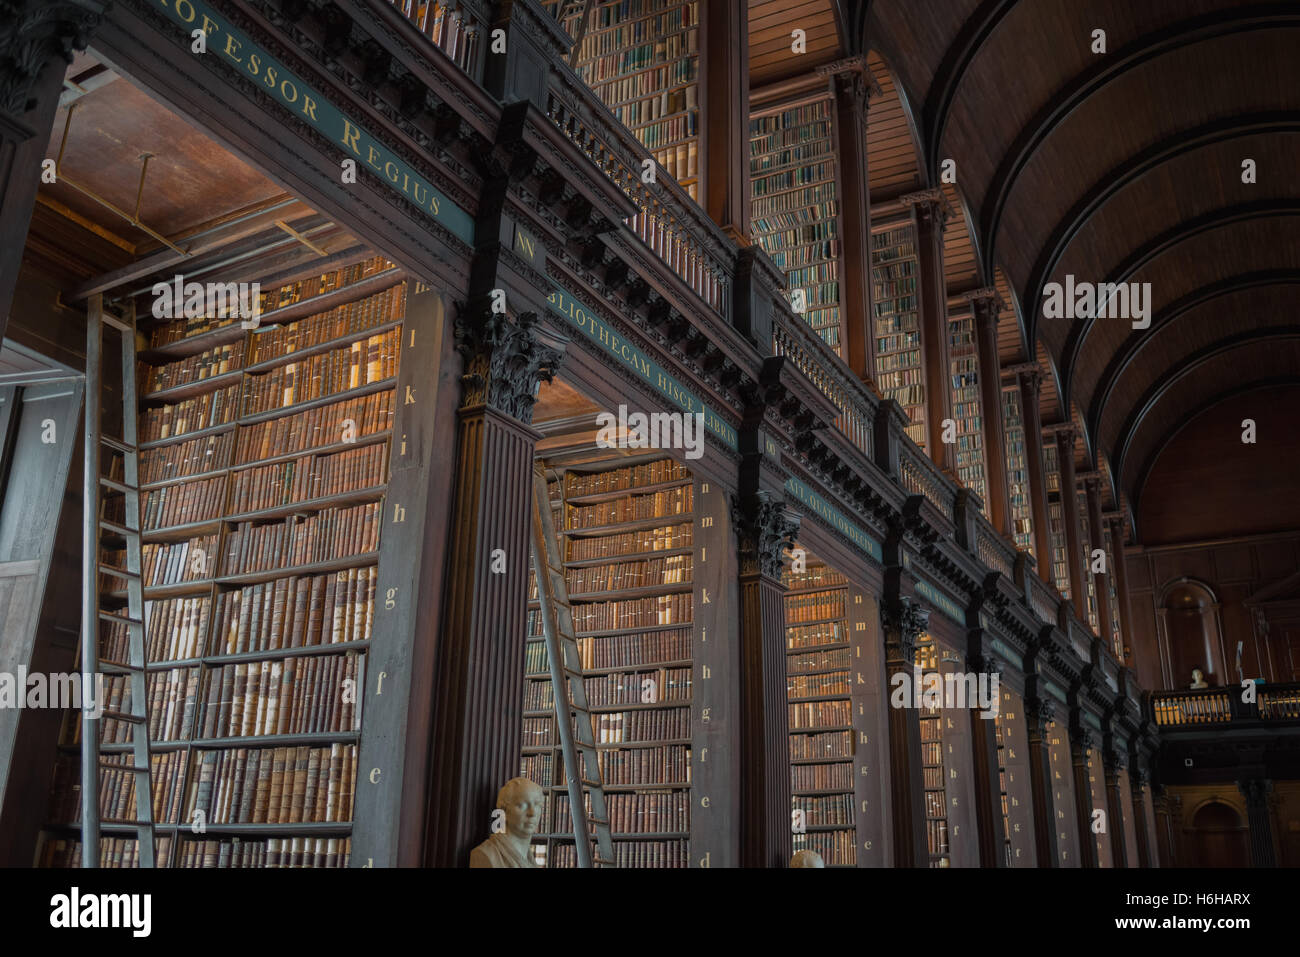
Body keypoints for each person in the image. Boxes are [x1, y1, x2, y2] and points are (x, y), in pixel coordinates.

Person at [469, 777, 544, 867]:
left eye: (537, 805)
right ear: (504, 810)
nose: (532, 813)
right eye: (522, 805)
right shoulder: (486, 854)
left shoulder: (530, 860)